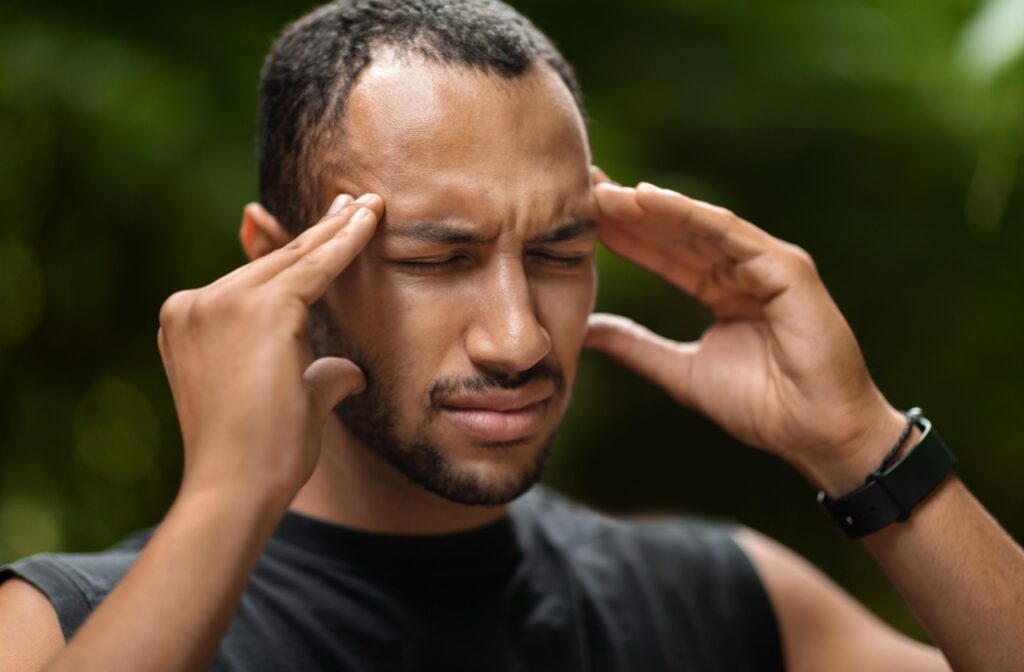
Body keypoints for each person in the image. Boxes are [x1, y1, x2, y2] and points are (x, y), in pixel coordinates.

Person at [0, 1, 1021, 670]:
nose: (517, 337)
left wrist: (857, 445)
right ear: (276, 268)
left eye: (558, 252)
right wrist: (227, 495)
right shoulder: (67, 624)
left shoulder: (717, 606)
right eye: (435, 260)